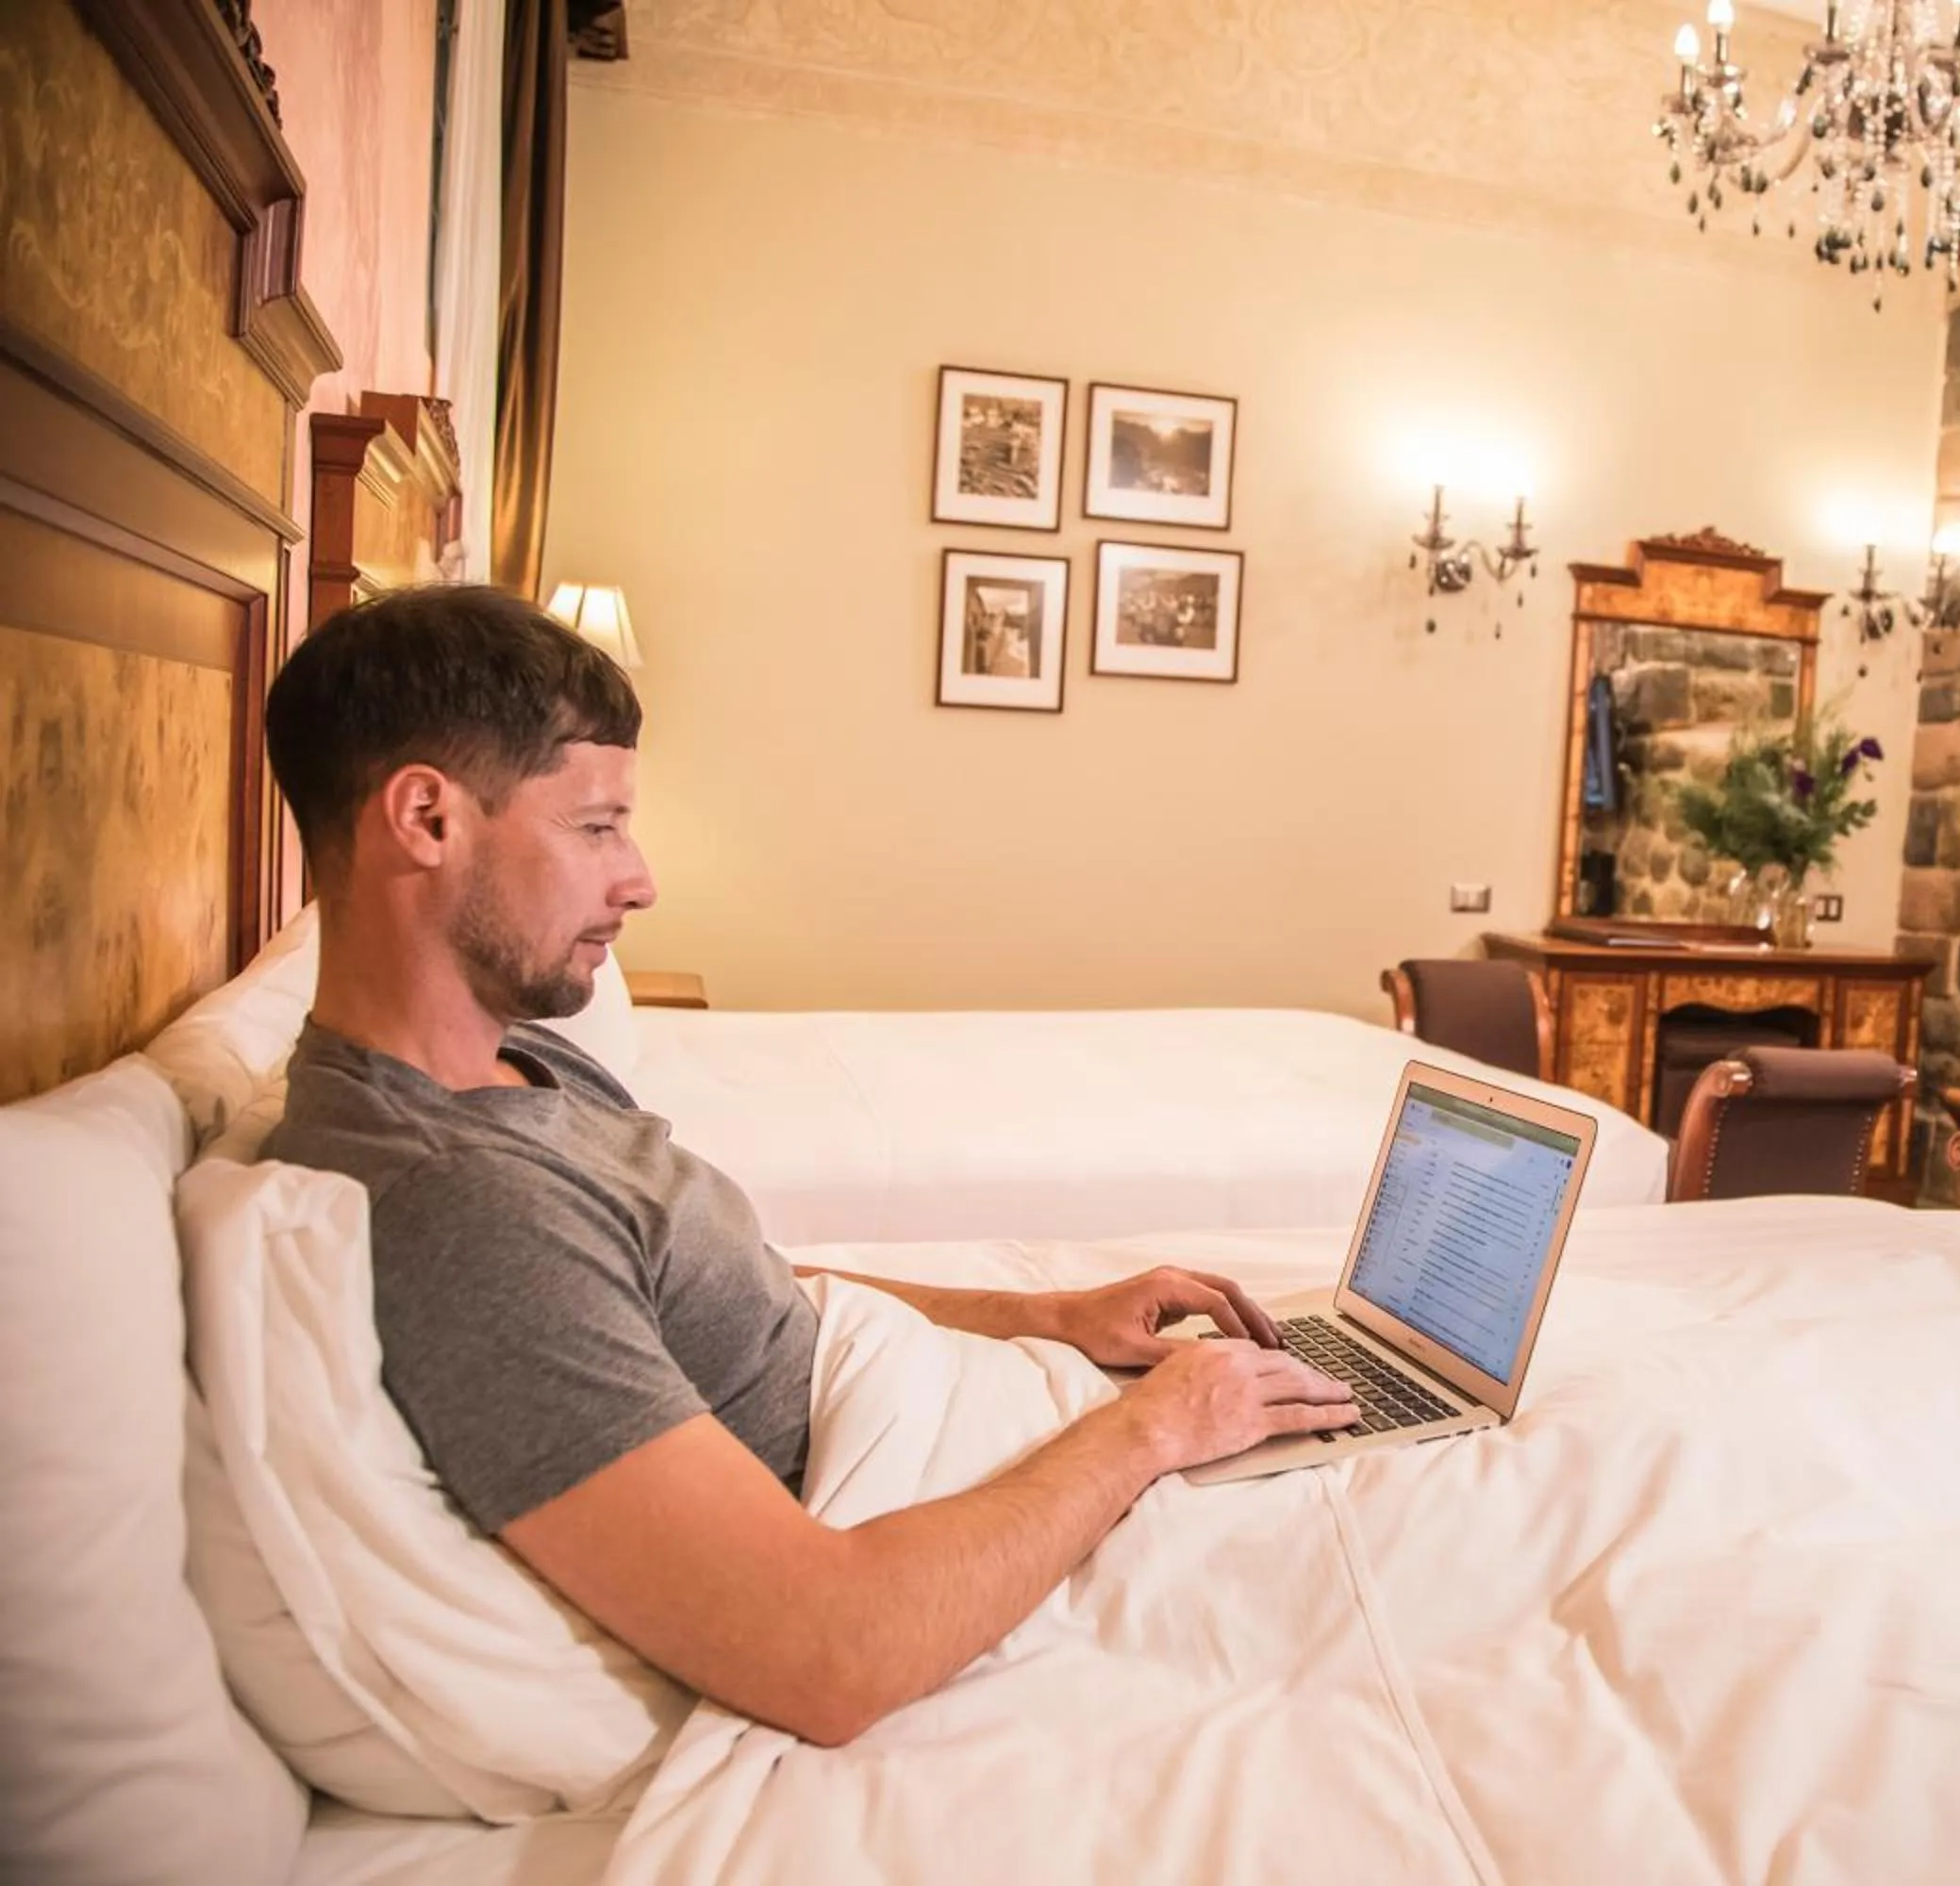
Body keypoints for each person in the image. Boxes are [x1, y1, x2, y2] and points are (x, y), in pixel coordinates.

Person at [258, 586, 1355, 1748]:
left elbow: (738, 1289)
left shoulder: (513, 1063)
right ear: (426, 819)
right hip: (1008, 1493)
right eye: (595, 827)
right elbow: (833, 1652)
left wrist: (1048, 1311)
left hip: (1007, 1430)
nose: (639, 880)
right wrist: (1152, 1432)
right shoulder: (464, 1211)